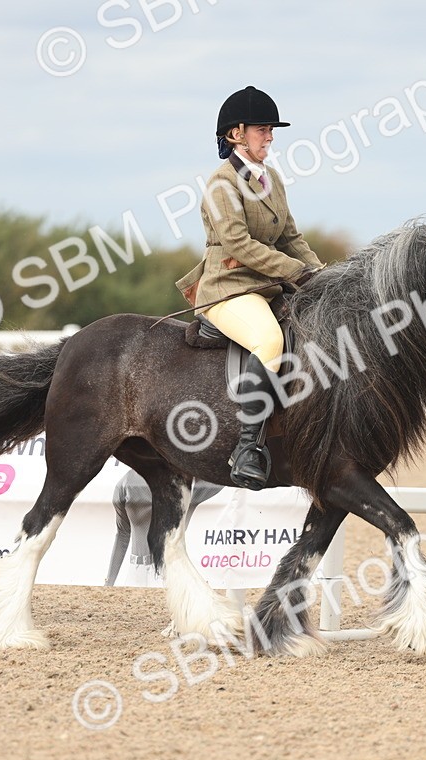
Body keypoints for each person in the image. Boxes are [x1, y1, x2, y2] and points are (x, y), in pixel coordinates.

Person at [175, 86, 324, 491]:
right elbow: (240, 243)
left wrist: (322, 275)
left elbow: (291, 236)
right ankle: (247, 447)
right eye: (263, 129)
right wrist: (297, 273)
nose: (270, 137)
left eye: (271, 130)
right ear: (236, 134)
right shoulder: (221, 185)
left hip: (269, 287)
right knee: (269, 340)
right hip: (229, 289)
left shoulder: (271, 178)